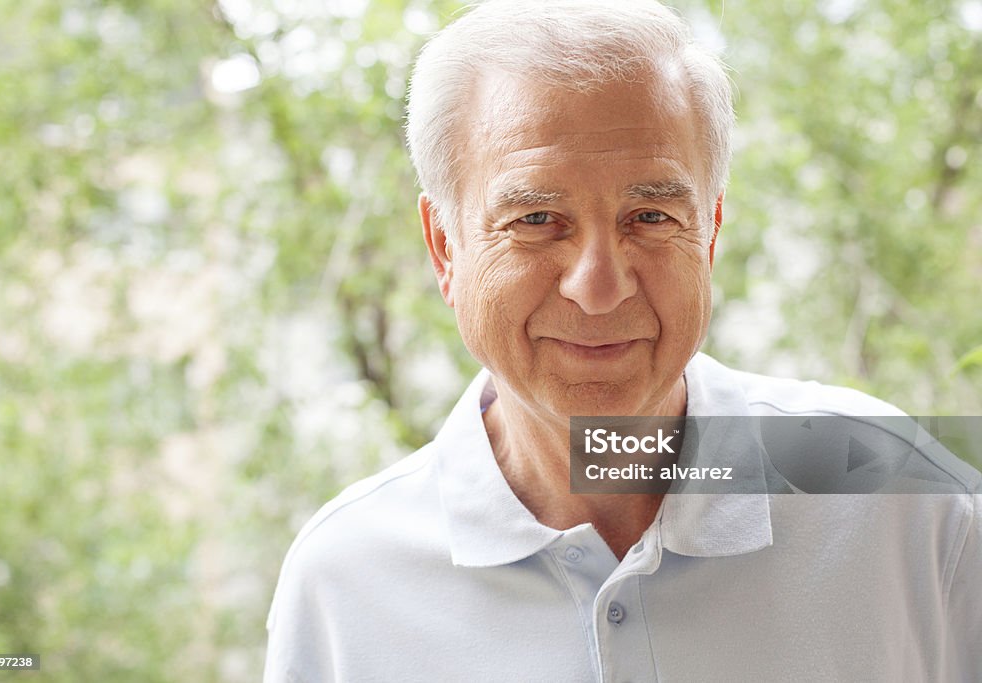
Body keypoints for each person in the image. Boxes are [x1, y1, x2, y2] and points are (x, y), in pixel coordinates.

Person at [264, 1, 981, 680]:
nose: (599, 287)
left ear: (711, 230)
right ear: (444, 246)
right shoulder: (343, 582)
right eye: (538, 217)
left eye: (651, 216)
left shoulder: (901, 504)